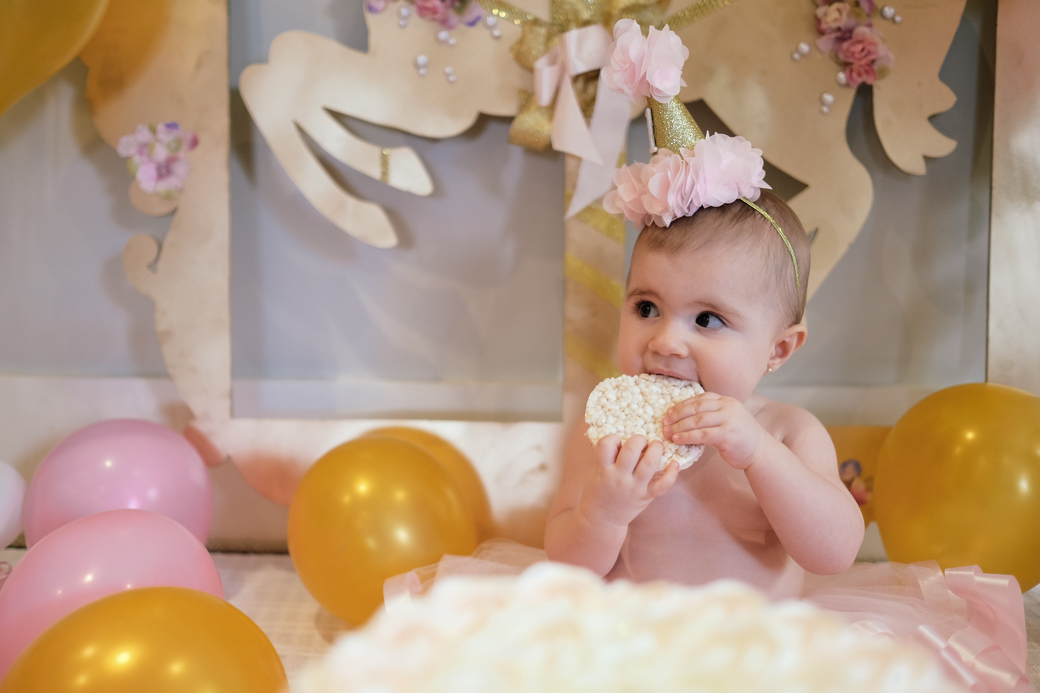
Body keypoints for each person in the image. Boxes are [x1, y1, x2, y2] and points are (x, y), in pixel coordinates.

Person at [543, 188, 864, 601]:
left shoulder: (787, 432)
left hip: (750, 646)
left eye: (707, 319)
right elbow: (566, 569)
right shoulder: (606, 437)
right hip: (629, 641)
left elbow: (833, 555)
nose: (666, 342)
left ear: (777, 349)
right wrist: (601, 514)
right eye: (647, 308)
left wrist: (759, 453)